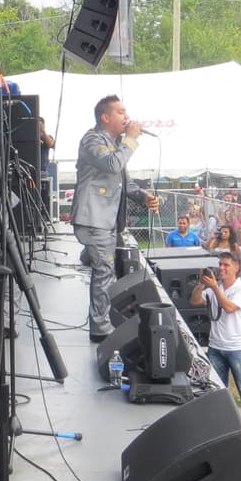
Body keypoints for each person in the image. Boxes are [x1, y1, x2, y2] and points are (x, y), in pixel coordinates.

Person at [72, 95, 159, 342]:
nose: (127, 116)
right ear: (105, 117)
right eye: (121, 112)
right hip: (94, 218)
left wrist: (144, 197)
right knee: (104, 272)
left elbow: (126, 183)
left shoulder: (116, 143)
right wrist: (131, 139)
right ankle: (100, 329)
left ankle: (103, 322)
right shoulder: (92, 139)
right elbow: (111, 164)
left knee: (105, 270)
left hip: (107, 220)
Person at [190, 251, 241, 437]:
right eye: (220, 264)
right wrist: (201, 283)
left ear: (236, 267)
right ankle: (222, 429)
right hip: (215, 347)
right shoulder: (216, 286)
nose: (221, 268)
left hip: (237, 348)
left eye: (226, 265)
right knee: (218, 392)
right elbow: (195, 300)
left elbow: (229, 308)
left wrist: (215, 288)